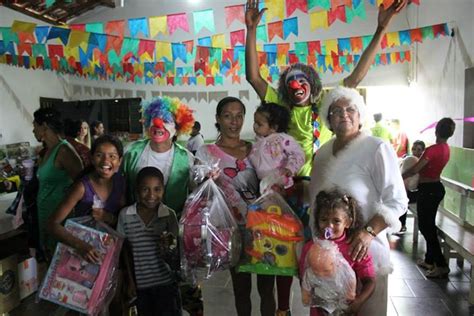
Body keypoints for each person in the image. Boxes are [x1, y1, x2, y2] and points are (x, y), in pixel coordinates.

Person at [245, 0, 407, 177]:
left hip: (320, 180)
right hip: (286, 184)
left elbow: (355, 78)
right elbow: (253, 77)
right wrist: (251, 31)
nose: (295, 85)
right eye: (290, 82)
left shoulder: (325, 104)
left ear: (312, 85)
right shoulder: (280, 105)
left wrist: (381, 29)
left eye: (301, 80)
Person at [310, 87, 408, 315]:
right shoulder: (323, 153)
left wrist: (367, 233)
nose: (344, 114)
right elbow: (316, 202)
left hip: (365, 252)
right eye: (336, 110)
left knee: (365, 309)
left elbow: (397, 201)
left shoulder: (376, 148)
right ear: (328, 120)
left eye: (350, 109)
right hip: (328, 257)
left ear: (360, 115)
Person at [120, 96, 202, 315]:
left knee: (179, 296)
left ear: (177, 128)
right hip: (137, 236)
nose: (159, 124)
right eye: (154, 119)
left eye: (166, 120)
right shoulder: (132, 152)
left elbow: (197, 196)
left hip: (173, 239)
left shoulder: (187, 158)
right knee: (142, 295)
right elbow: (119, 187)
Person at [195, 96, 275, 316]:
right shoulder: (206, 153)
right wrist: (205, 179)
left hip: (262, 227)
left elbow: (271, 179)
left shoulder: (257, 149)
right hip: (231, 229)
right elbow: (196, 188)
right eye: (228, 116)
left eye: (239, 115)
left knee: (268, 288)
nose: (234, 121)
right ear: (218, 119)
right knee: (241, 288)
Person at [248, 102, 304, 315]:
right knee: (266, 240)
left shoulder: (283, 140)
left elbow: (298, 155)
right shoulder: (257, 143)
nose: (254, 127)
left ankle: (283, 306)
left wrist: (288, 171)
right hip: (264, 197)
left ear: (274, 126)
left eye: (259, 123)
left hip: (282, 194)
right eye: (255, 122)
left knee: (282, 241)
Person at [48, 135, 126, 261]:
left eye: (112, 156)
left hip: (110, 253)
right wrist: (81, 246)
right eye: (99, 155)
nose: (106, 161)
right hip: (82, 254)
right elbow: (52, 224)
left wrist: (109, 218)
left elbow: (124, 222)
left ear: (120, 161)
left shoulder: (121, 183)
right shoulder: (82, 187)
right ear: (92, 158)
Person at [299, 189, 376, 316]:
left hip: (346, 311)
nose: (329, 226)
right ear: (317, 221)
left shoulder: (355, 247)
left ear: (348, 222)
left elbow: (370, 280)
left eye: (336, 221)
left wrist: (359, 302)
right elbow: (304, 276)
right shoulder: (310, 248)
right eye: (324, 219)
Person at [117, 166, 181, 316]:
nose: (151, 195)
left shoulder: (168, 215)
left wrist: (168, 248)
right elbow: (123, 251)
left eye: (157, 189)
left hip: (166, 284)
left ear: (163, 190)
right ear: (137, 190)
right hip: (139, 287)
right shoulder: (125, 215)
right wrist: (129, 281)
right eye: (145, 189)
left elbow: (176, 251)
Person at [403, 118, 455, 278]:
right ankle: (429, 260)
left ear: (436, 130)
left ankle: (441, 265)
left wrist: (400, 176)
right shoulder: (446, 148)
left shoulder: (432, 150)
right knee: (428, 225)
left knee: (427, 227)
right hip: (436, 188)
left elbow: (416, 169)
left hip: (428, 190)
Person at [32, 108, 83, 258]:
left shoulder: (64, 151)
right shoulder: (47, 150)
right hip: (45, 214)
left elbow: (81, 183)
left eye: (35, 125)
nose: (33, 129)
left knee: (61, 262)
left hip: (60, 219)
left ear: (44, 126)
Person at [397, 140, 426, 234]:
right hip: (408, 190)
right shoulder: (409, 159)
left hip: (419, 192)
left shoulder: (423, 162)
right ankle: (400, 224)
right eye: (414, 149)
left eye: (419, 150)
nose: (416, 152)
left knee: (402, 197)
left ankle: (401, 224)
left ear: (423, 151)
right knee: (401, 196)